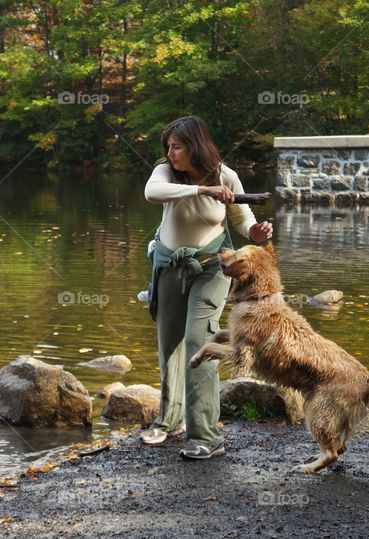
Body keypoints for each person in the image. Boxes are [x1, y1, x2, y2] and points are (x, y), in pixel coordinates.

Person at [141, 115, 272, 459]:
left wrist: (255, 234)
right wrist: (201, 189)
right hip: (169, 264)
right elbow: (151, 193)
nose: (170, 153)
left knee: (200, 342)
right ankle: (169, 420)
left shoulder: (226, 175)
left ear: (196, 146)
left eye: (177, 146)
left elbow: (244, 220)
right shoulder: (165, 173)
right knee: (170, 341)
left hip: (212, 267)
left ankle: (207, 437)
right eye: (168, 146)